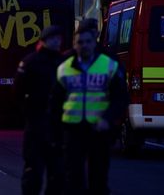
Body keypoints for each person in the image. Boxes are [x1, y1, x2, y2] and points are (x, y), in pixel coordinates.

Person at [50, 23, 128, 195]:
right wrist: (56, 131)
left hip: (98, 130)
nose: (84, 45)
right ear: (74, 44)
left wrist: (107, 119)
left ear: (94, 43)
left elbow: (120, 98)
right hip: (72, 130)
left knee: (98, 179)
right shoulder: (64, 68)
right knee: (73, 179)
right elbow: (55, 102)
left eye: (87, 42)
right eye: (80, 42)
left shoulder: (109, 65)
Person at [14, 25, 65, 195]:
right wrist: (28, 114)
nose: (57, 42)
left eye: (59, 38)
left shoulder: (64, 63)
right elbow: (18, 92)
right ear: (43, 41)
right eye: (53, 38)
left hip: (58, 127)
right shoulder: (30, 62)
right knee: (33, 173)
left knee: (57, 175)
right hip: (36, 125)